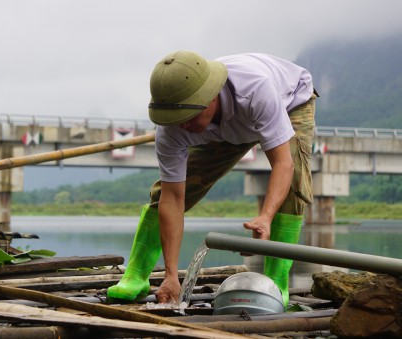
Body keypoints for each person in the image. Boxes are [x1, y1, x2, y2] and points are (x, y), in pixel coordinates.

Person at [107, 50, 317, 308]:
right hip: (233, 126)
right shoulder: (173, 127)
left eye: (189, 116)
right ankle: (137, 275)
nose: (184, 125)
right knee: (167, 191)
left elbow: (283, 165)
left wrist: (266, 216)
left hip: (290, 102)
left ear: (211, 97)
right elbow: (173, 198)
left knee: (294, 178)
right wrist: (171, 275)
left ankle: (276, 282)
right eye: (176, 119)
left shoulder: (256, 91)